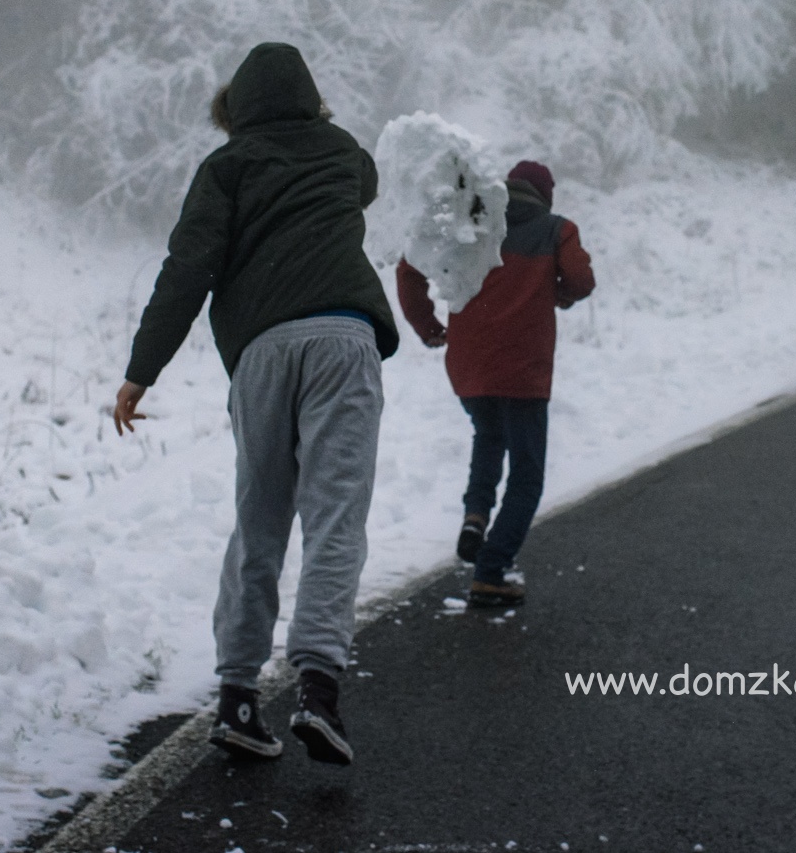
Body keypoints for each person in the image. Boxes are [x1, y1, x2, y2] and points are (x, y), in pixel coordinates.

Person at [112, 42, 399, 766]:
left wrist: (141, 370)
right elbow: (369, 180)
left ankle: (239, 697)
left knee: (259, 520)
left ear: (234, 110)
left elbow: (189, 269)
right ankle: (318, 689)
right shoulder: (341, 153)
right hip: (342, 337)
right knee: (335, 514)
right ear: (312, 97)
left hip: (262, 351)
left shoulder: (225, 167)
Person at [395, 159, 593, 608]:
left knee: (488, 436)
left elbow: (409, 268)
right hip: (524, 372)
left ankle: (476, 515)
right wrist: (557, 292)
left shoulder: (471, 224)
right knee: (527, 474)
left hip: (470, 368)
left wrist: (428, 327)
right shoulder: (555, 229)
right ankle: (490, 572)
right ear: (545, 195)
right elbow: (581, 278)